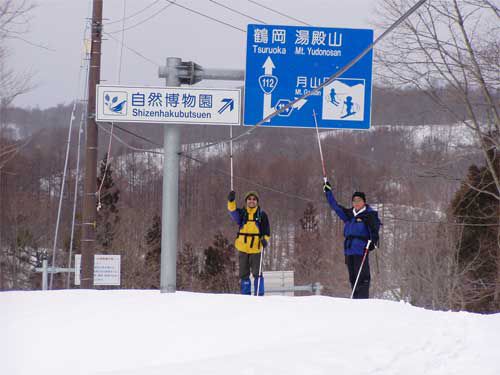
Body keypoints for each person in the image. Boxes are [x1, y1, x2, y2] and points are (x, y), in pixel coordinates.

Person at [323, 181, 380, 298]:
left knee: (362, 277)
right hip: (349, 251)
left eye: (359, 200)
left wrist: (373, 243)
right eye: (354, 201)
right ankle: (355, 300)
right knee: (353, 277)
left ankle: (363, 300)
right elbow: (335, 206)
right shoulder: (349, 214)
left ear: (364, 202)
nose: (356, 203)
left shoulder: (369, 215)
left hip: (361, 250)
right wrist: (328, 192)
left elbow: (375, 230)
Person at [227, 190, 270, 296]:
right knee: (243, 274)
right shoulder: (242, 213)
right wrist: (231, 201)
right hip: (243, 248)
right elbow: (232, 212)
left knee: (257, 273)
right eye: (249, 199)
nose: (251, 201)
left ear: (257, 202)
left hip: (256, 248)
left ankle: (259, 295)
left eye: (254, 199)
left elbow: (266, 230)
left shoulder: (262, 215)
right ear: (246, 201)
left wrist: (265, 240)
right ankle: (245, 295)